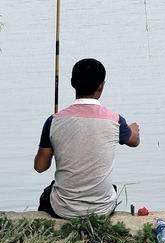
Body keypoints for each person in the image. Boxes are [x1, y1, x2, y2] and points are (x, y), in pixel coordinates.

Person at [34, 58, 140, 218]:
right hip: (102, 208)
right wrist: (133, 130)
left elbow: (40, 167)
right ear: (101, 85)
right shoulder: (116, 120)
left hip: (63, 209)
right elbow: (134, 141)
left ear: (72, 83)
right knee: (111, 188)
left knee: (47, 194)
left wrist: (55, 148)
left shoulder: (54, 121)